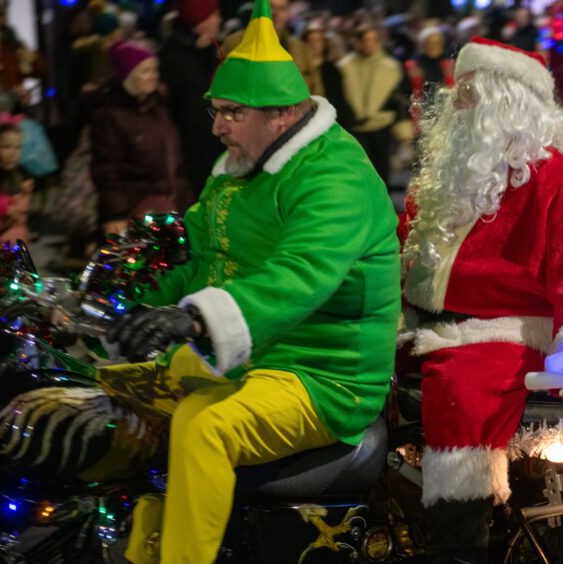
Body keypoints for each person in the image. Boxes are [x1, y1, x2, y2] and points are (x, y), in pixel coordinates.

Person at [109, 1, 400, 561]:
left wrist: (194, 318)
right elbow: (199, 252)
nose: (215, 126)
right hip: (258, 357)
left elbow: (301, 274)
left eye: (231, 113)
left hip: (323, 374)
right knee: (131, 402)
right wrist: (125, 295)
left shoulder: (333, 177)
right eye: (216, 110)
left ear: (283, 115)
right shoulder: (242, 166)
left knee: (205, 428)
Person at [398, 37, 563, 562]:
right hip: (424, 322)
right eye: (460, 90)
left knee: (462, 391)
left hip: (503, 328)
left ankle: (461, 544)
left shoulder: (553, 177)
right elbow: (405, 246)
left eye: (471, 91)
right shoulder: (448, 175)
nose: (458, 102)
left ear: (507, 101)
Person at [90, 40, 188, 235]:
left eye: (154, 70)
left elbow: (175, 162)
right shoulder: (110, 116)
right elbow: (106, 171)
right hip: (134, 212)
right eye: (145, 71)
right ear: (127, 75)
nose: (153, 77)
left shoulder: (158, 110)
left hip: (167, 208)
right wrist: (115, 214)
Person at [158, 0, 224, 196]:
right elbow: (192, 112)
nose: (219, 19)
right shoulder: (176, 59)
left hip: (211, 149)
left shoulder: (208, 50)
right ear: (201, 21)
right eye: (214, 15)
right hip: (193, 159)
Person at [338, 23, 406, 185]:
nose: (369, 44)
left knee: (381, 170)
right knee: (358, 170)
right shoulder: (344, 67)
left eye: (373, 40)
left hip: (382, 124)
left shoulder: (391, 67)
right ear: (357, 42)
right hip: (354, 127)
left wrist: (402, 128)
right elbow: (341, 98)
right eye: (365, 40)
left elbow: (398, 98)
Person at [0, 120, 31, 245]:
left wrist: (24, 195)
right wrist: (6, 207)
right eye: (6, 147)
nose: (13, 153)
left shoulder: (14, 173)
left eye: (18, 147)